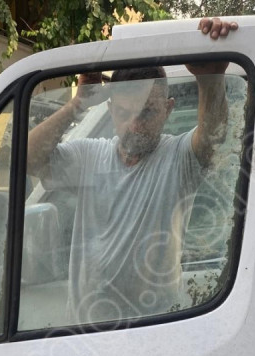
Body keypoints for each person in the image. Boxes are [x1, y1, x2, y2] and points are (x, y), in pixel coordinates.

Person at [27, 17, 239, 325]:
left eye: (147, 112)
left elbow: (212, 137)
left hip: (154, 330)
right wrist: (77, 104)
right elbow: (28, 159)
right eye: (124, 113)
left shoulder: (177, 158)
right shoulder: (90, 156)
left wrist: (211, 79)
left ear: (168, 109)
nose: (135, 125)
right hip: (87, 332)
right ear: (110, 110)